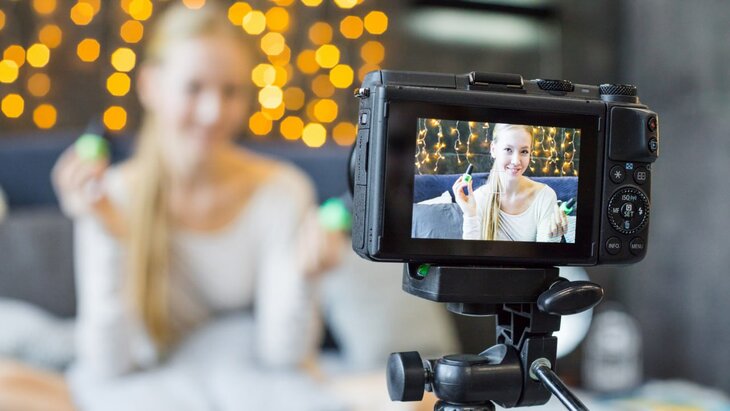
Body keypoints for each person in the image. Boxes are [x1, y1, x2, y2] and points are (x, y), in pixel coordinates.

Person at [0, 2, 342, 410]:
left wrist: (305, 276)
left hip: (238, 379)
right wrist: (107, 234)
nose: (213, 112)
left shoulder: (283, 190)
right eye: (193, 88)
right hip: (140, 382)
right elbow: (109, 363)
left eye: (231, 91)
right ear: (150, 86)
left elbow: (283, 356)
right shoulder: (112, 194)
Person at [452, 123, 568, 242]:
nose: (516, 161)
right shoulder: (478, 198)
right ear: (493, 150)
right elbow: (473, 252)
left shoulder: (545, 196)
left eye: (524, 151)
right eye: (508, 150)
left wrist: (553, 238)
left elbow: (544, 250)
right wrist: (470, 215)